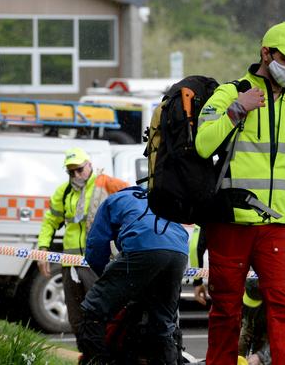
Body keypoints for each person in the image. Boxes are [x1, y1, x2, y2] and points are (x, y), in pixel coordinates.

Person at [194, 22, 285, 365]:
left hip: (274, 225)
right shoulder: (229, 92)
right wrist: (237, 109)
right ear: (265, 53)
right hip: (230, 222)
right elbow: (202, 145)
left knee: (283, 303)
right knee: (226, 308)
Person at [77, 186, 189, 364]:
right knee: (163, 325)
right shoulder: (157, 197)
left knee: (93, 309)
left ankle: (98, 361)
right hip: (179, 253)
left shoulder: (112, 200)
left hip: (144, 246)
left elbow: (96, 245)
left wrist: (108, 280)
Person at [37, 147, 127, 336]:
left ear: (89, 165)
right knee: (76, 317)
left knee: (101, 311)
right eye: (71, 172)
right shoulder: (64, 191)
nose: (76, 175)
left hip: (96, 261)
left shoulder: (105, 185)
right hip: (70, 262)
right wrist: (43, 248)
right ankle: (86, 354)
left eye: (79, 169)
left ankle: (104, 355)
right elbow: (50, 222)